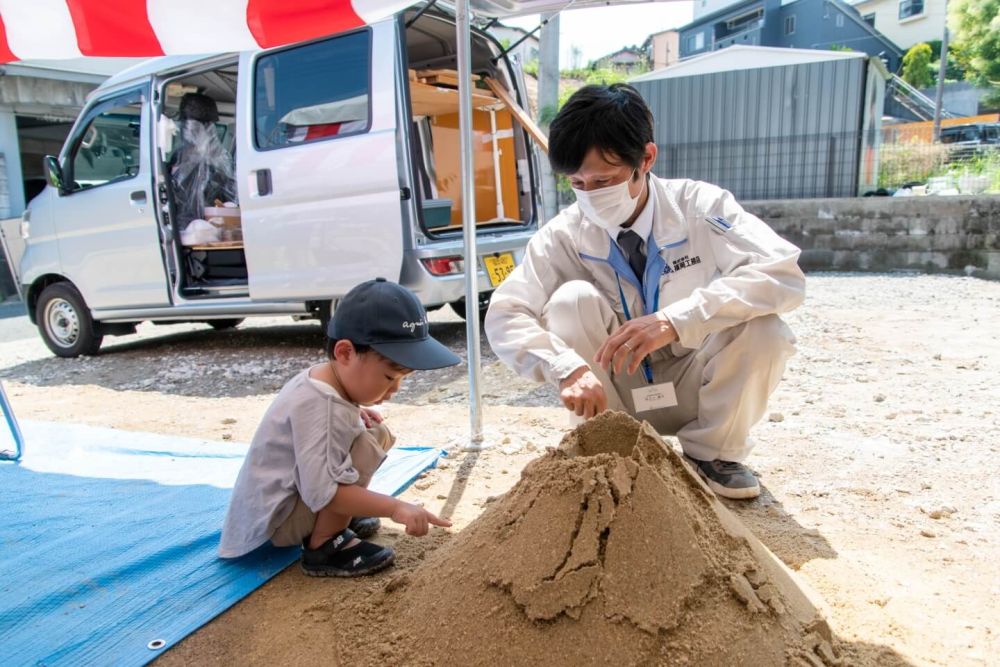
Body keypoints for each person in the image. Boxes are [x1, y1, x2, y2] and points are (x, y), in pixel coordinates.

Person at [484, 84, 805, 500]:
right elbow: (506, 311)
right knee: (569, 301)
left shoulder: (701, 207)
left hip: (696, 385)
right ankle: (606, 447)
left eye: (604, 180)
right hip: (615, 392)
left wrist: (675, 320)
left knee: (765, 328)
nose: (591, 196)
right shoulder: (562, 234)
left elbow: (783, 274)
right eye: (577, 183)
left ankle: (714, 454)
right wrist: (563, 365)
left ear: (646, 159)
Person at [219, 278, 459, 576]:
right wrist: (395, 507)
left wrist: (353, 415)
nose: (396, 388)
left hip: (290, 499)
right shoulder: (323, 407)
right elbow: (327, 493)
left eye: (402, 379)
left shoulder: (324, 381)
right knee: (366, 446)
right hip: (274, 521)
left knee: (374, 433)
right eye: (389, 377)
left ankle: (336, 520)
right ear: (345, 353)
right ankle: (324, 544)